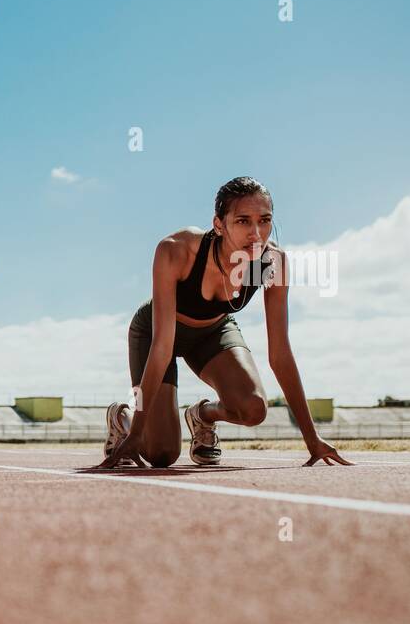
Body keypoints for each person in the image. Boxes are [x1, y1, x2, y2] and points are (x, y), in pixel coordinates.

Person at [100, 176, 350, 469]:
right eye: (243, 221)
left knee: (254, 408)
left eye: (265, 220)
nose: (256, 233)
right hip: (156, 333)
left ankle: (202, 415)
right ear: (219, 224)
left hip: (213, 331)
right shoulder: (178, 251)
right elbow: (162, 347)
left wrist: (312, 439)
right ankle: (123, 419)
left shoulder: (270, 264)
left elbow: (280, 354)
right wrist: (137, 434)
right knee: (161, 454)